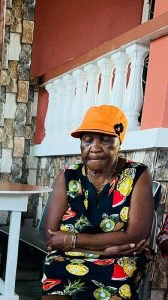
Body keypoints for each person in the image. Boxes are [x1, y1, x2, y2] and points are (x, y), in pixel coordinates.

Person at [41, 105, 154, 299]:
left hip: (119, 263)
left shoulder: (137, 175)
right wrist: (105, 250)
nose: (94, 147)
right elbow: (51, 237)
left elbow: (136, 237)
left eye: (105, 139)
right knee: (54, 273)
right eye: (88, 140)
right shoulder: (68, 176)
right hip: (69, 260)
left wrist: (71, 240)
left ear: (120, 141)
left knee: (118, 277)